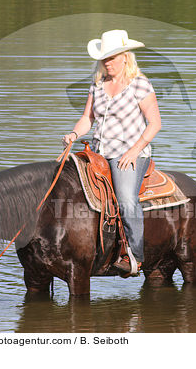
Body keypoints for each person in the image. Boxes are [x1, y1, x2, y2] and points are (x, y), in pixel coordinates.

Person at [62, 29, 161, 276]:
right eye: (104, 58)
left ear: (125, 57)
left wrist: (134, 152)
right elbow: (87, 118)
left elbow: (155, 123)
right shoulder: (97, 85)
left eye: (113, 57)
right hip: (97, 152)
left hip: (129, 153)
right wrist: (74, 134)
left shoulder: (140, 84)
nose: (108, 62)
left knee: (126, 199)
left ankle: (135, 257)